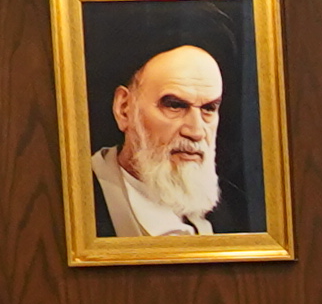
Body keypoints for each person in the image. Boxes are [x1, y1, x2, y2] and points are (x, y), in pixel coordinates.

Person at [91, 43, 226, 238]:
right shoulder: (81, 205)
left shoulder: (226, 216)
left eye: (209, 109)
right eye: (174, 106)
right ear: (124, 109)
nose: (196, 132)